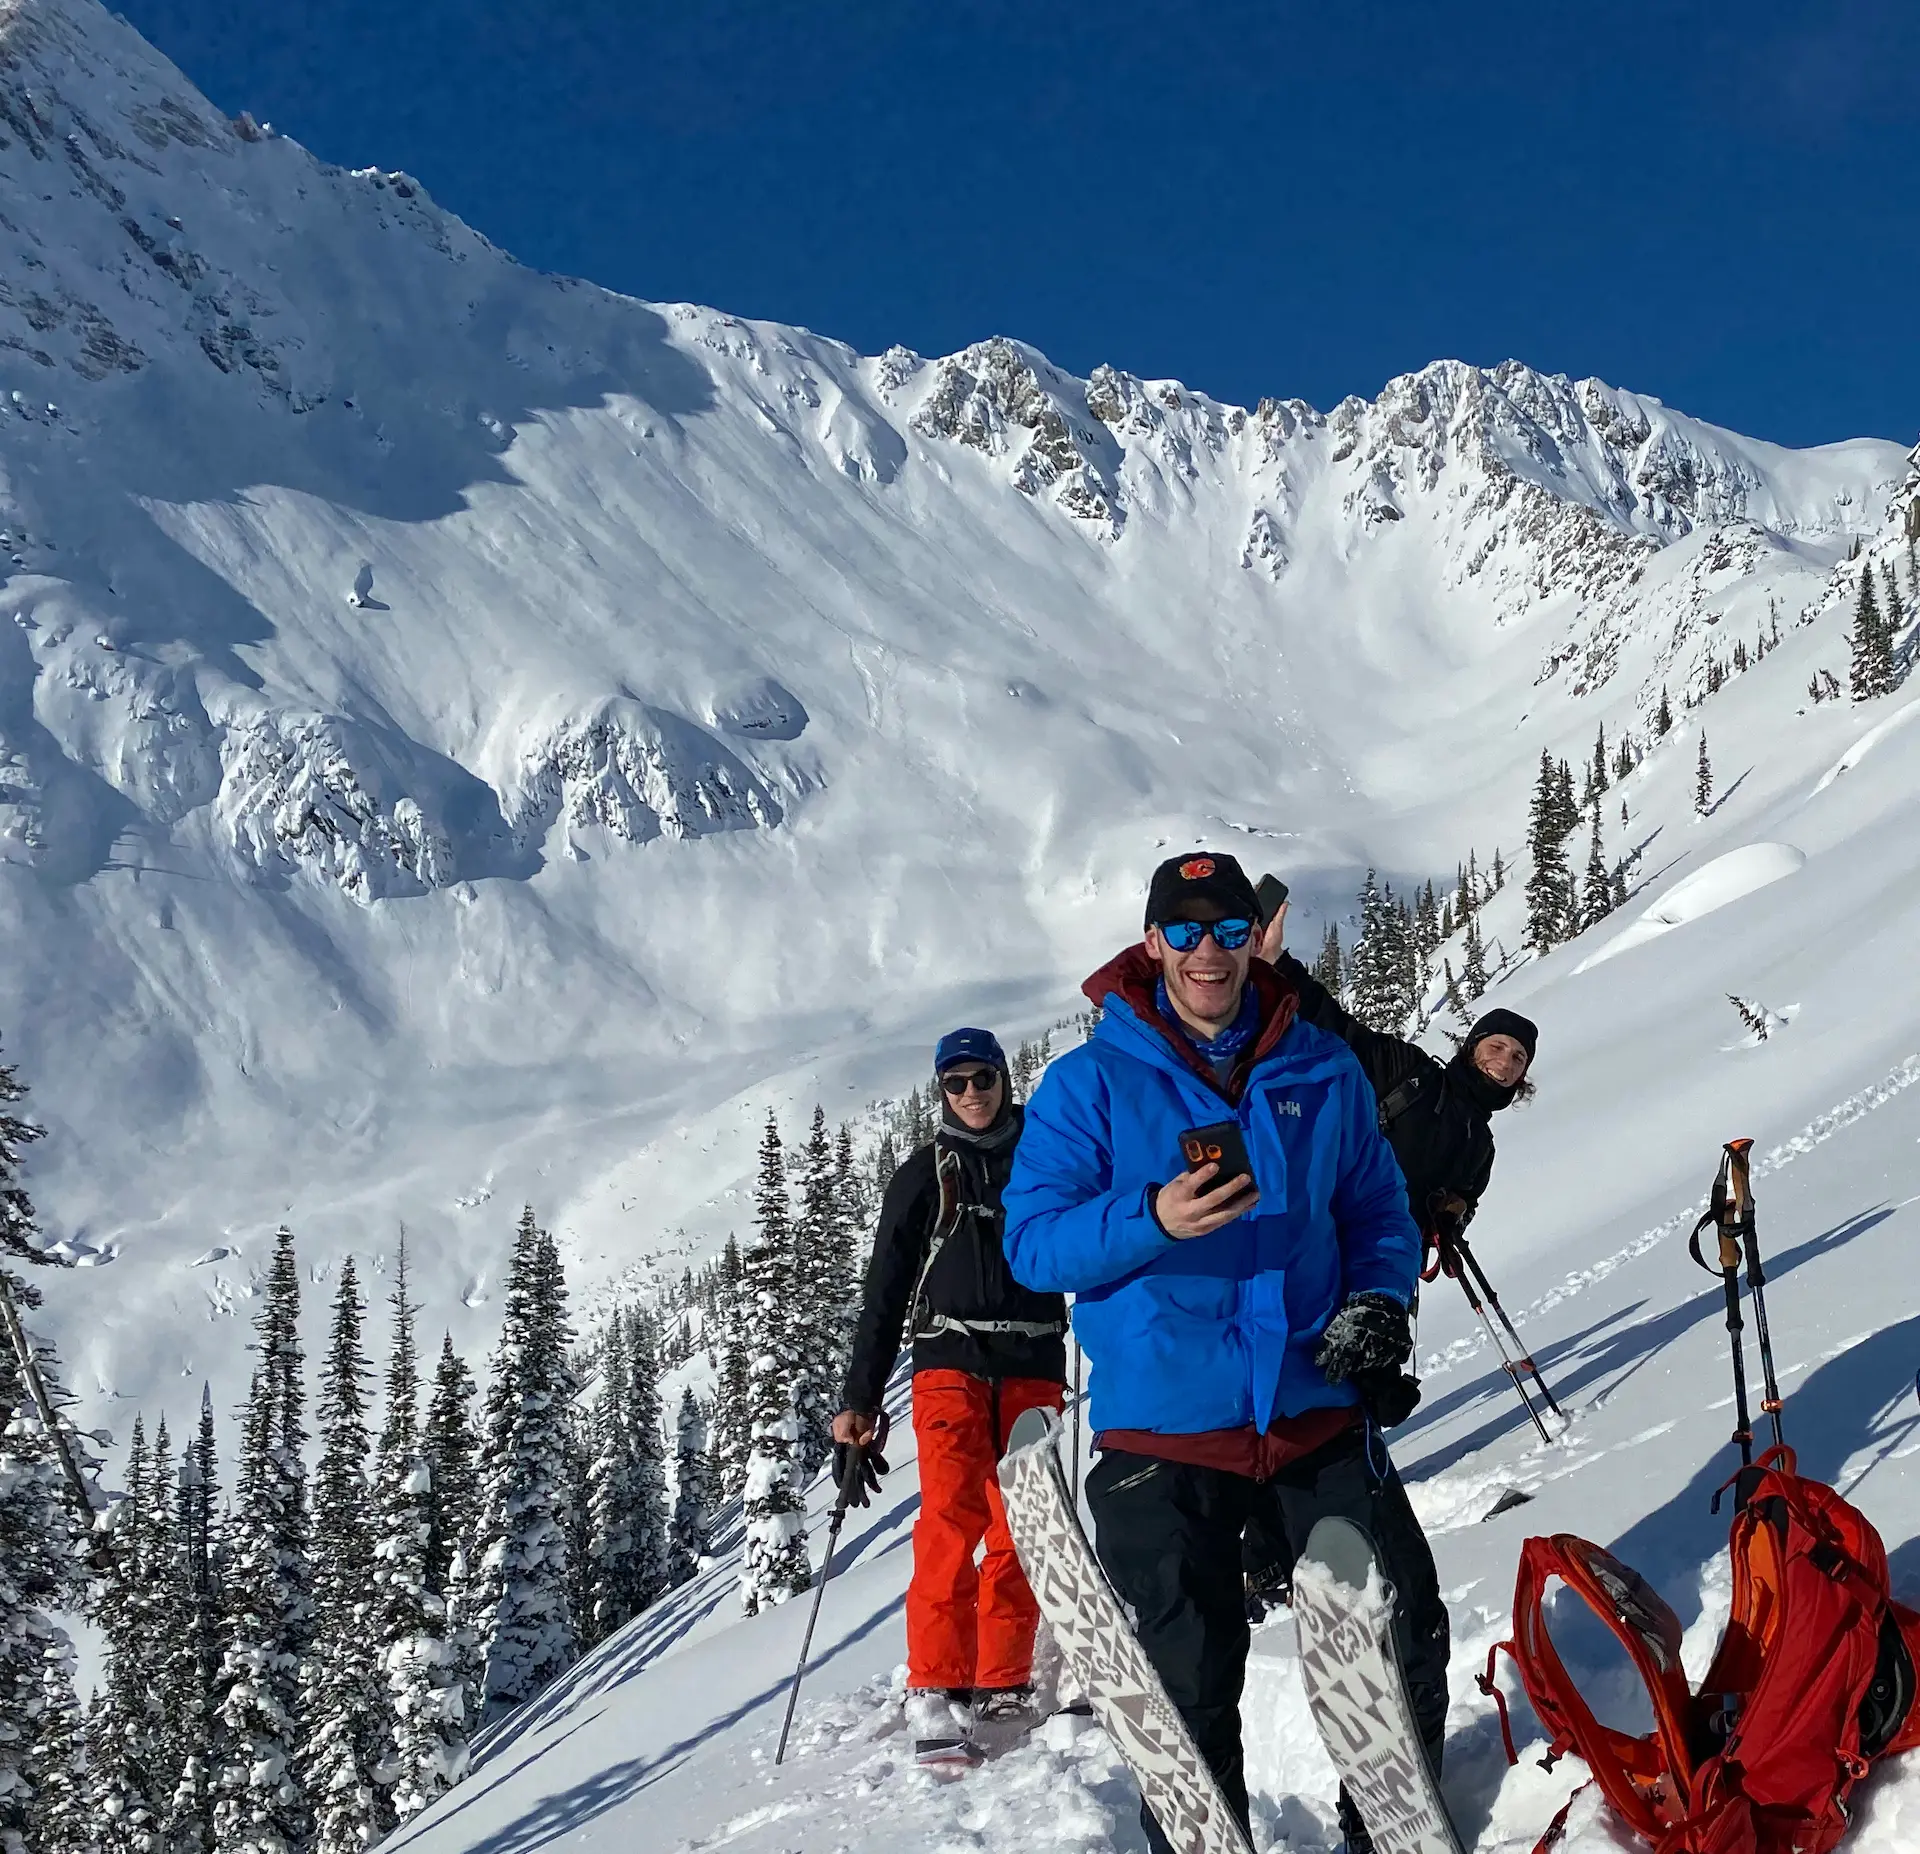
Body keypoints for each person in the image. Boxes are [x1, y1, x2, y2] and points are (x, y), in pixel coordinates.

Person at [1003, 851, 1448, 1854]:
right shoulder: (1091, 1086)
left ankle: (1385, 1836)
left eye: (1232, 929)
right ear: (1154, 942)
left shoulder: (1320, 1068)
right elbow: (1034, 1244)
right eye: (1189, 931)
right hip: (1164, 1433)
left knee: (1399, 1637)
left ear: (1258, 938)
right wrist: (1151, 1215)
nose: (1212, 952)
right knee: (1187, 1702)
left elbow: (1376, 1205)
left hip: (1313, 1407)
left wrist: (1379, 1296)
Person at [1241, 888, 1538, 1614]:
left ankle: (1311, 1545)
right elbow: (1331, 1025)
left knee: (1346, 1408)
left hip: (1385, 1282)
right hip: (1327, 1254)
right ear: (1471, 1045)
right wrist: (1277, 967)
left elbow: (1458, 1218)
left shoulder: (1482, 1143)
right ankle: (1260, 1554)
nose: (1501, 1062)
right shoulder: (1406, 1072)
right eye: (1495, 1046)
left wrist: (1449, 1215)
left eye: (1515, 1057)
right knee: (1288, 1397)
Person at [834, 1028, 1068, 1765]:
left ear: (1004, 1078)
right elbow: (884, 1295)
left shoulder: (1048, 1153)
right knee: (949, 1514)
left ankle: (1001, 1676)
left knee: (1020, 1523)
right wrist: (858, 1401)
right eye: (956, 1082)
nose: (972, 1094)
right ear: (941, 1091)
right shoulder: (921, 1174)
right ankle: (936, 1682)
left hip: (1033, 1358)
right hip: (949, 1363)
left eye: (983, 1079)